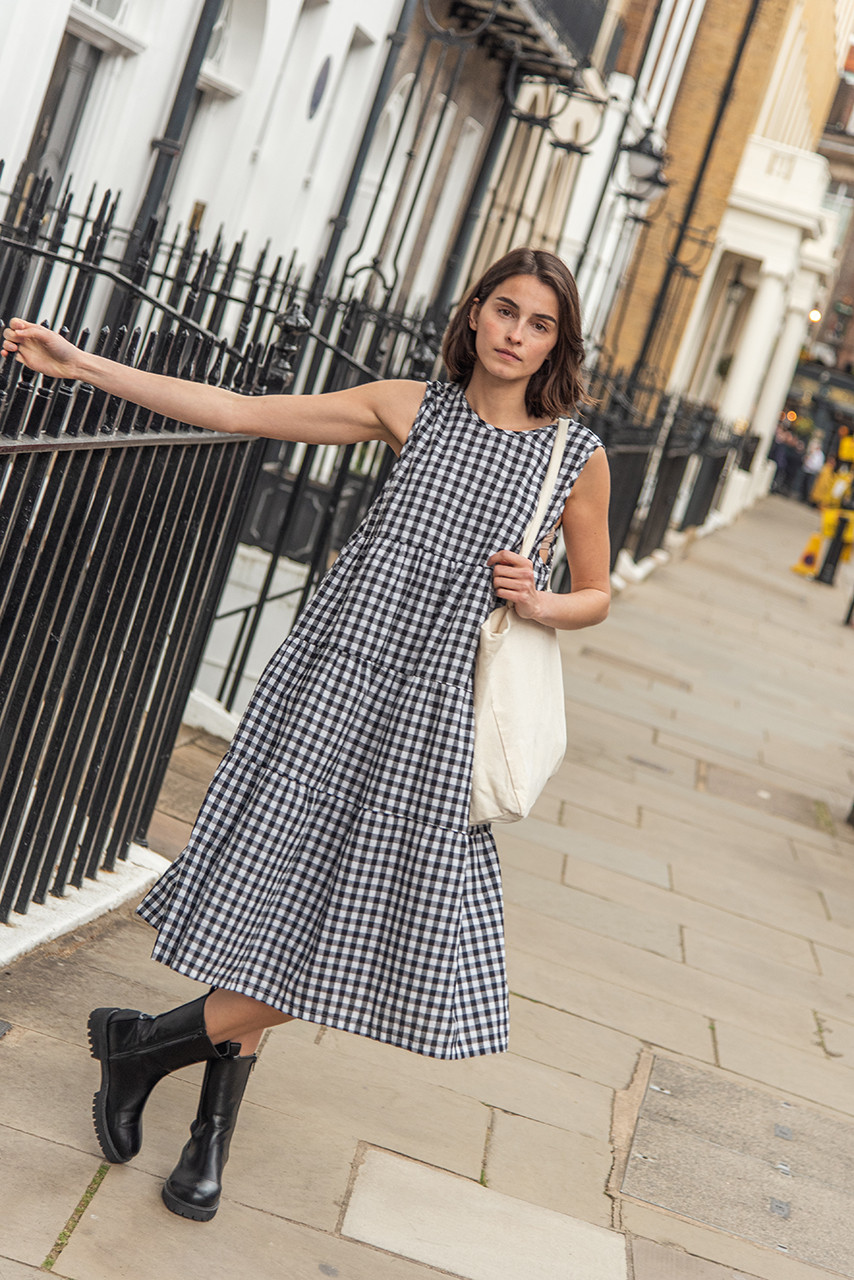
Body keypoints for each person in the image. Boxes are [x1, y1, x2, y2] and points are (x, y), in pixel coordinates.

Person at [2, 246, 611, 1221]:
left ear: (557, 341)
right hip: (333, 679)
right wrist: (88, 365)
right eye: (504, 310)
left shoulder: (572, 455)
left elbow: (597, 593)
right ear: (474, 311)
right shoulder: (407, 405)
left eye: (538, 323)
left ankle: (144, 1044)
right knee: (290, 898)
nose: (515, 333)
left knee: (381, 931)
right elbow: (242, 413)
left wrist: (541, 603)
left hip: (436, 715)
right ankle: (206, 1135)